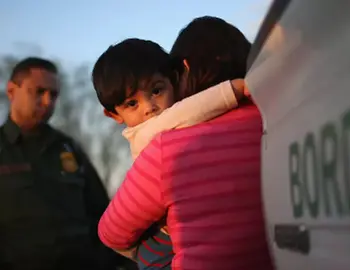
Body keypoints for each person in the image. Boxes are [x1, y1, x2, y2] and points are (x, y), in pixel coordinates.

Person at [97, 16, 274, 270]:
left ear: (183, 70)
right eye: (132, 104)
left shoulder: (168, 146)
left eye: (157, 90)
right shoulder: (277, 115)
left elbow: (111, 232)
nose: (150, 108)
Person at [0, 57, 123, 270]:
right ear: (11, 91)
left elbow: (104, 217)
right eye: (38, 91)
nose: (48, 101)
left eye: (53, 95)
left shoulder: (68, 149)